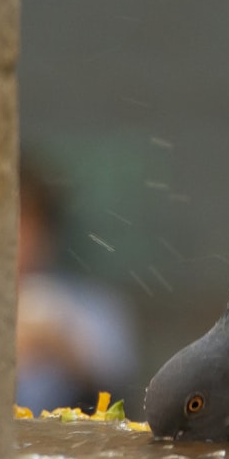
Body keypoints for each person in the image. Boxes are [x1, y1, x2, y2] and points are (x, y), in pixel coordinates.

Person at [16, 158, 137, 414]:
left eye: (26, 222)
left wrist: (61, 346)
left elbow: (121, 387)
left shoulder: (91, 306)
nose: (16, 236)